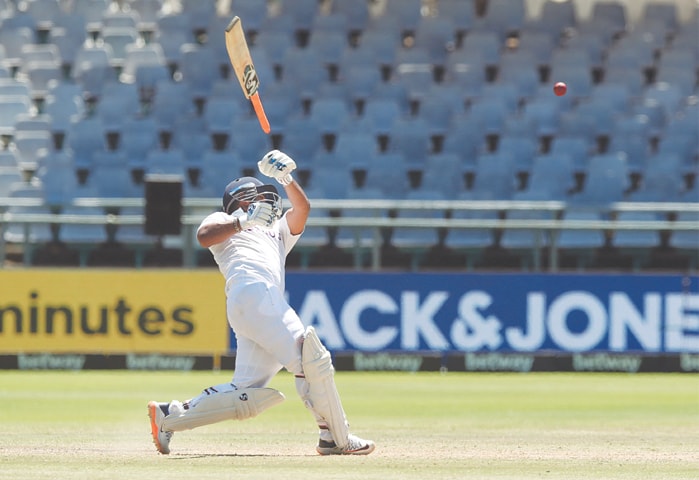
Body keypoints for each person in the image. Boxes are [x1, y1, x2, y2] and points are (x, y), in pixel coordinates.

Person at [147, 149, 375, 456]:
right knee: (312, 360)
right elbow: (203, 235)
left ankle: (169, 416)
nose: (266, 203)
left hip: (253, 304)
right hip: (254, 293)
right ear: (241, 200)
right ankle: (336, 437)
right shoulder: (226, 219)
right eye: (257, 198)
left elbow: (302, 209)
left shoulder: (276, 230)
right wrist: (243, 221)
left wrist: (286, 179)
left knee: (245, 392)